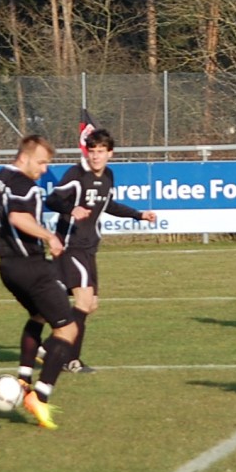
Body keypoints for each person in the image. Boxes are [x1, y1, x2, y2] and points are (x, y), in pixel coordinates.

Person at [0, 135, 74, 430]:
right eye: (42, 163)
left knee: (38, 316)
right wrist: (49, 236)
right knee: (67, 329)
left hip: (7, 266)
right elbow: (19, 217)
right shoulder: (24, 185)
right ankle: (40, 397)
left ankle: (23, 379)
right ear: (25, 157)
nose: (44, 169)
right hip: (30, 266)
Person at [43, 128, 157, 373]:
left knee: (91, 304)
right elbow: (52, 200)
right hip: (70, 245)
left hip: (88, 247)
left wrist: (138, 215)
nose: (96, 156)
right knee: (83, 301)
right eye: (92, 151)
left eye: (101, 151)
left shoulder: (108, 176)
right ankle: (66, 358)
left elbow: (108, 205)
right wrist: (71, 209)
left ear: (110, 153)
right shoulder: (76, 174)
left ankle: (53, 346)